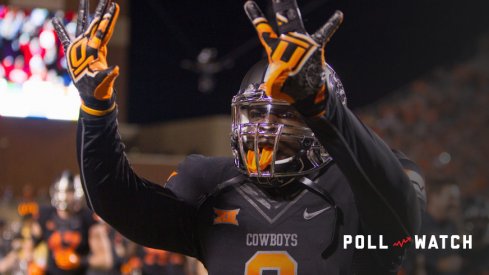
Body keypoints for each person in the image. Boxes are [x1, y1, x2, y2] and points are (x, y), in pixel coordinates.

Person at [52, 0, 426, 273]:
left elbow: (399, 214)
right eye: (254, 115)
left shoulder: (366, 184)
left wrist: (323, 105)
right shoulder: (212, 184)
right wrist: (97, 110)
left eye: (283, 118)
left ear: (316, 120)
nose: (264, 130)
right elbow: (116, 201)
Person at [30, 171, 114, 274]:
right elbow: (28, 246)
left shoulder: (87, 218)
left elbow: (106, 260)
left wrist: (80, 261)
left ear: (76, 192)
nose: (64, 196)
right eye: (59, 191)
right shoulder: (45, 215)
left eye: (68, 191)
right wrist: (33, 263)